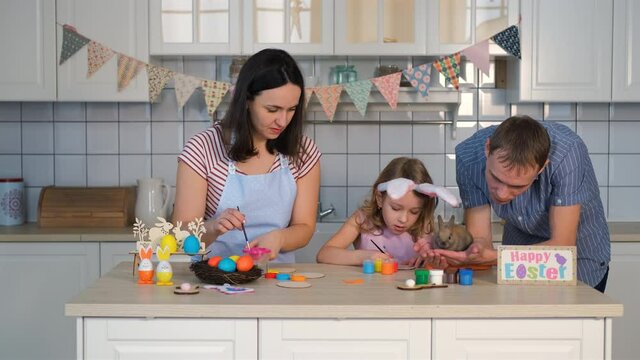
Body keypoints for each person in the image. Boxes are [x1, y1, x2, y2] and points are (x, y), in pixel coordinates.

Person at [415, 115, 610, 292]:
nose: (502, 193)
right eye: (495, 178)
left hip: (579, 255)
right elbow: (480, 240)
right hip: (516, 249)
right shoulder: (468, 159)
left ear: (542, 168)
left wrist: (494, 257)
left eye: (516, 186)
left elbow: (562, 246)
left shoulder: (568, 154)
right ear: (487, 148)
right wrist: (459, 250)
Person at [173, 48, 321, 262]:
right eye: (272, 109)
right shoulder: (202, 149)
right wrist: (212, 227)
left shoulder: (303, 152)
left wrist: (280, 238)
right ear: (246, 100)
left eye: (291, 110)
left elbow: (305, 227)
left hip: (277, 282)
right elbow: (181, 236)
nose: (283, 121)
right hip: (214, 283)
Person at [317, 157, 458, 266]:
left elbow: (445, 262)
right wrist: (365, 257)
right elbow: (324, 255)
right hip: (370, 295)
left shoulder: (424, 226)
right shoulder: (362, 220)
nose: (403, 219)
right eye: (396, 208)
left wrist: (429, 261)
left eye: (414, 212)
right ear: (379, 198)